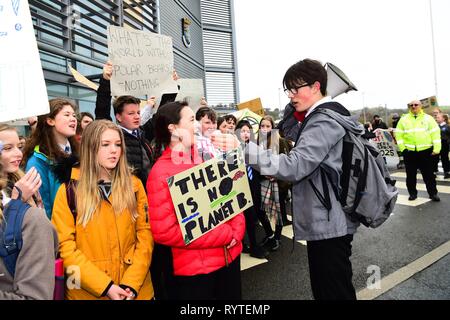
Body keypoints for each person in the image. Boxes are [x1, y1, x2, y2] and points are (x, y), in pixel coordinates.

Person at [212, 58, 362, 300]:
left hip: (329, 223)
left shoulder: (324, 120)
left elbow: (295, 165)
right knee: (329, 289)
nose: (291, 95)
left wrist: (243, 147)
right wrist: (296, 110)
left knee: (333, 291)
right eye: (288, 90)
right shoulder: (321, 117)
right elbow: (291, 133)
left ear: (315, 87)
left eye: (295, 89)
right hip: (327, 220)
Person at [146, 101, 245, 300]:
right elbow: (164, 231)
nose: (198, 125)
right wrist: (225, 234)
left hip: (230, 259)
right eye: (192, 120)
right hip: (196, 274)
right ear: (173, 128)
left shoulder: (209, 157)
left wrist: (238, 229)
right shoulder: (160, 173)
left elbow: (233, 197)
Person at [51, 120, 154, 300]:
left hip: (135, 290)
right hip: (86, 292)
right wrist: (105, 287)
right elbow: (65, 247)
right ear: (90, 148)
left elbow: (145, 236)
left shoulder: (135, 185)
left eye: (118, 144)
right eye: (105, 145)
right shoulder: (68, 191)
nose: (114, 150)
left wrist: (131, 283)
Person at [0, 124, 58, 300]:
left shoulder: (25, 183)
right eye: (8, 148)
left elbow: (41, 234)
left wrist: (18, 205)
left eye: (19, 146)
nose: (18, 153)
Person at [95, 61, 155, 187]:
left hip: (146, 195)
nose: (137, 116)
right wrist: (105, 80)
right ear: (118, 117)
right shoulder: (115, 136)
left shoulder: (142, 134)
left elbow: (162, 116)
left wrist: (171, 86)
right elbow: (102, 111)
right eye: (131, 113)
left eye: (138, 112)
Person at [23, 98, 79, 218]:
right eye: (67, 115)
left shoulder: (80, 154)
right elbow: (44, 208)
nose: (73, 119)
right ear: (50, 121)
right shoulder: (38, 162)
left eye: (74, 115)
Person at [235, 120, 269, 259]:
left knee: (253, 216)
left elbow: (258, 168)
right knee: (246, 217)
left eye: (248, 131)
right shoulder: (234, 148)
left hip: (254, 185)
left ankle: (249, 244)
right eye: (242, 131)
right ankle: (252, 246)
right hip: (240, 188)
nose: (245, 134)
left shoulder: (253, 147)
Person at [395, 100, 441, 201]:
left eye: (416, 105)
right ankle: (412, 194)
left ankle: (433, 193)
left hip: (426, 151)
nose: (413, 106)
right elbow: (398, 135)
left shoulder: (428, 119)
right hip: (410, 152)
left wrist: (437, 149)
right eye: (411, 105)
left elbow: (435, 134)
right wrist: (403, 149)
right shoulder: (403, 119)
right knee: (410, 176)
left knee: (429, 175)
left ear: (421, 106)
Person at [434, 112, 450, 179]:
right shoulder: (436, 127)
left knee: (445, 159)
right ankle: (434, 171)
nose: (436, 119)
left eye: (438, 117)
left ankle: (447, 172)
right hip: (436, 145)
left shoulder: (447, 126)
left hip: (444, 145)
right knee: (435, 159)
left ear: (443, 119)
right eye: (436, 117)